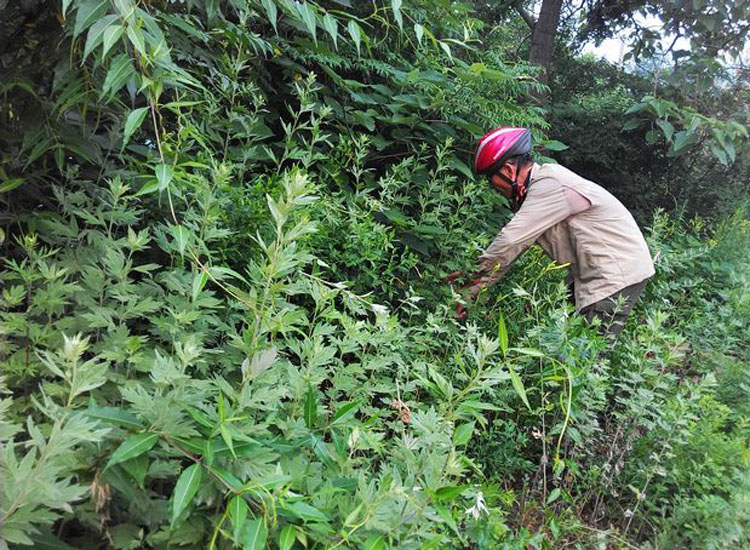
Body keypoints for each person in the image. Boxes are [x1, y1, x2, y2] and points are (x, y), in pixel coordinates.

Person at [462, 126, 655, 343]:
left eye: (491, 178)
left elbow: (510, 242)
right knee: (568, 346)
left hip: (612, 275)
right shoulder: (544, 184)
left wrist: (468, 289)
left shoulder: (550, 184)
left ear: (507, 169)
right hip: (602, 272)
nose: (492, 186)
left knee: (587, 358)